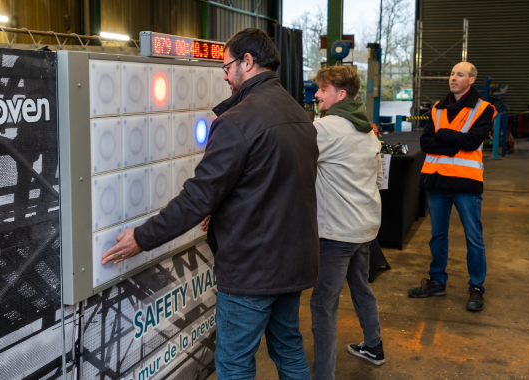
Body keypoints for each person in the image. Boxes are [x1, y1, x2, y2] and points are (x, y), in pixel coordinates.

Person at [102, 28, 319, 379]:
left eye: (226, 65)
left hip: (253, 270)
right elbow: (273, 183)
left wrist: (141, 238)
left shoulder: (238, 122)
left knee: (234, 364)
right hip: (293, 261)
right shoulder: (297, 113)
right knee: (289, 349)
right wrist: (222, 210)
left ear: (247, 62)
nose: (223, 74)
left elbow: (196, 197)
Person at [310, 65, 385, 378]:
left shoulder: (325, 128)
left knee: (322, 305)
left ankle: (323, 375)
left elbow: (290, 160)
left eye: (322, 90)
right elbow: (379, 178)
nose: (316, 95)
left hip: (337, 233)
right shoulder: (368, 129)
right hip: (365, 228)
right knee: (360, 287)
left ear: (340, 94)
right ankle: (373, 345)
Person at [408, 62, 496, 312]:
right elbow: (425, 142)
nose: (453, 78)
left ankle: (476, 287)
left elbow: (471, 141)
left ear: (471, 80)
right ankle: (437, 281)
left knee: (473, 238)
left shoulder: (484, 109)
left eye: (460, 74)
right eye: (451, 73)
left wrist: (442, 135)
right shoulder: (437, 107)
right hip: (437, 181)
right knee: (438, 236)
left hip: (465, 183)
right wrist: (454, 144)